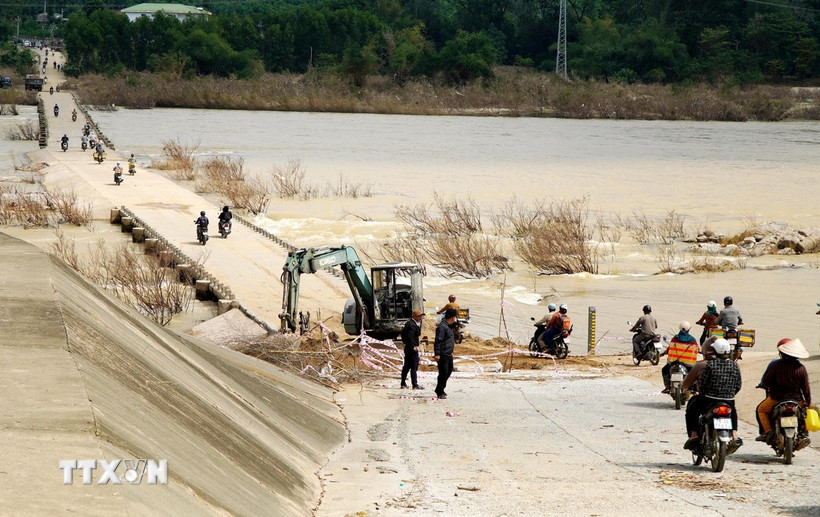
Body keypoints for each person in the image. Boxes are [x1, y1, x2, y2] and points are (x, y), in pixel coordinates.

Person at [683, 338, 742, 451]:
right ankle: (734, 434)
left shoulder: (710, 365)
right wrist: (729, 394)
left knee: (692, 409)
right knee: (733, 412)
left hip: (709, 399)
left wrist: (703, 393)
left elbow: (703, 383)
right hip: (729, 399)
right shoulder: (735, 366)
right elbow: (738, 385)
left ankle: (694, 435)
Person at [755, 338, 811, 442]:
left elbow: (766, 381)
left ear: (782, 353)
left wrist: (765, 385)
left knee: (761, 410)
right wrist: (808, 402)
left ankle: (767, 432)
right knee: (805, 413)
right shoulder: (801, 368)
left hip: (776, 398)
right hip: (796, 399)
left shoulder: (776, 365)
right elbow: (806, 388)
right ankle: (804, 433)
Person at [660, 321, 699, 393]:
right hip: (688, 364)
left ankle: (667, 387)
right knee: (695, 373)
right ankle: (693, 389)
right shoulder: (692, 340)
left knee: (664, 370)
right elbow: (696, 350)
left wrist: (664, 353)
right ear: (689, 329)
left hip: (674, 362)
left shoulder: (675, 338)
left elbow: (670, 348)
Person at [433, 308, 458, 399]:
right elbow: (438, 341)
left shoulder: (448, 326)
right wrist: (437, 353)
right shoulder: (442, 327)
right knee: (443, 373)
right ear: (452, 318)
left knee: (449, 371)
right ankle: (439, 391)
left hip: (448, 353)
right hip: (443, 353)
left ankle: (440, 388)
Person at [400, 309, 425, 390]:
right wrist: (413, 346)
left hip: (408, 347)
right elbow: (410, 336)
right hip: (412, 348)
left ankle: (403, 383)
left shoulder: (409, 323)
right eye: (419, 316)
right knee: (414, 367)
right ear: (414, 316)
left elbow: (403, 334)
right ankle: (414, 384)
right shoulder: (412, 325)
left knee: (406, 366)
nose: (420, 318)